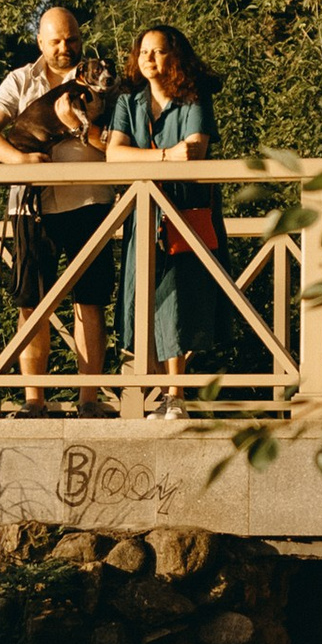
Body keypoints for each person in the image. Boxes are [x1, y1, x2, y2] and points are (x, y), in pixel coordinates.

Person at [0, 3, 114, 414]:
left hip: (90, 200)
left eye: (71, 39)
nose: (64, 47)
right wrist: (18, 161)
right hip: (29, 205)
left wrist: (79, 127)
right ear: (40, 41)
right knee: (30, 305)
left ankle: (89, 401)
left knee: (90, 303)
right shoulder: (20, 80)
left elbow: (118, 142)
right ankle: (35, 401)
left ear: (81, 38)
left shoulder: (100, 78)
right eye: (55, 40)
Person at [103, 23, 232, 397]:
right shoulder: (128, 100)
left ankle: (175, 394)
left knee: (178, 297)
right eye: (143, 52)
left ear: (175, 56)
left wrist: (149, 159)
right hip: (142, 212)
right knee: (139, 295)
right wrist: (163, 155)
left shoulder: (194, 97)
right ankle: (155, 391)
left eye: (158, 51)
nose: (148, 59)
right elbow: (114, 155)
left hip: (183, 210)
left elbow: (194, 152)